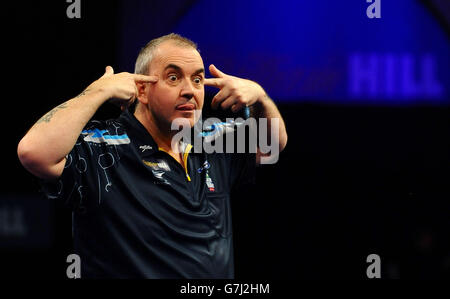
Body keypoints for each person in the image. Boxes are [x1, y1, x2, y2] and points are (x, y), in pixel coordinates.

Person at [17, 33, 287, 278]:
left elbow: (271, 145)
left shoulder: (212, 138)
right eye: (173, 77)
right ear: (142, 90)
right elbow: (34, 152)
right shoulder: (104, 145)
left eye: (197, 79)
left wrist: (260, 97)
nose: (190, 90)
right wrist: (99, 91)